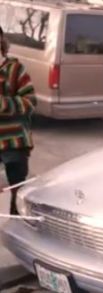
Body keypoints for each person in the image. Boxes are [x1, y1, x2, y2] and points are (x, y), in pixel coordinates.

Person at [0, 26, 36, 215]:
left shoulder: (15, 69)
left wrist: (4, 104)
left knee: (18, 194)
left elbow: (30, 102)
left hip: (14, 141)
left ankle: (16, 225)